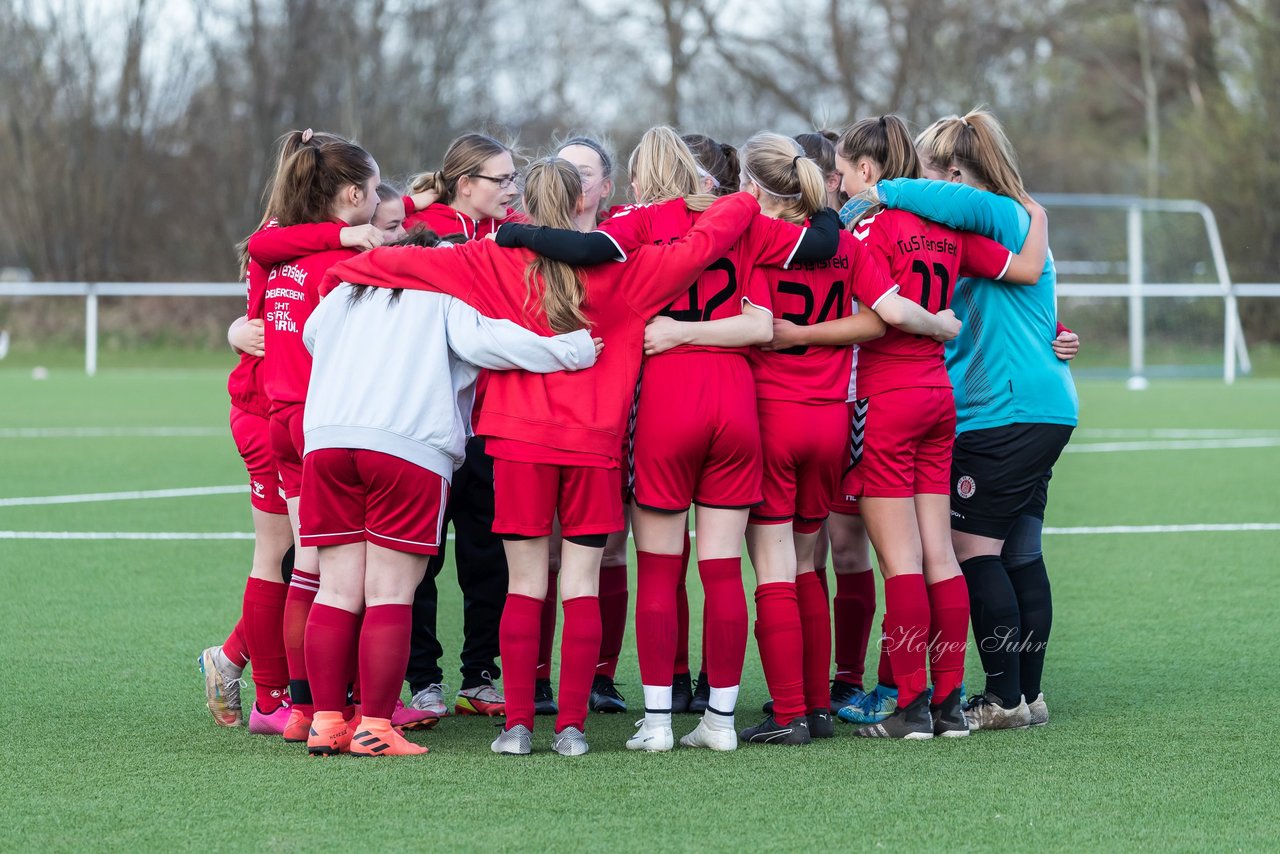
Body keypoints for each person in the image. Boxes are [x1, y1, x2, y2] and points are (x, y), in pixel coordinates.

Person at [320, 157, 762, 756]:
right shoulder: (626, 271)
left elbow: (375, 264)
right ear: (587, 201)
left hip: (517, 445)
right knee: (580, 584)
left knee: (526, 584)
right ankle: (573, 729)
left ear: (525, 204)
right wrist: (721, 199)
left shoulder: (488, 258)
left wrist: (335, 279)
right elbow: (713, 238)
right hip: (594, 449)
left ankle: (518, 727)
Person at [495, 127, 840, 751]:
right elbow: (808, 256)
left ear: (641, 177)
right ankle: (722, 722)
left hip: (664, 400)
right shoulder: (739, 219)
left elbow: (583, 250)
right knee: (722, 569)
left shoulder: (638, 222)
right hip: (735, 398)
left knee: (658, 568)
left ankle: (657, 722)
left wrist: (513, 231)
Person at [298, 228, 601, 757]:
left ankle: (326, 723)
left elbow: (310, 336)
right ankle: (374, 728)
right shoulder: (444, 290)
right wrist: (570, 350)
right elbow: (491, 343)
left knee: (337, 589)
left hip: (326, 442)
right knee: (391, 592)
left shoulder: (345, 291)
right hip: (407, 448)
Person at [815, 115, 1048, 739]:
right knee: (941, 554)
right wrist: (1039, 217)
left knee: (901, 563)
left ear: (868, 171)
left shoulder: (863, 227)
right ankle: (949, 704)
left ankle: (911, 705)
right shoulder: (945, 226)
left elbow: (876, 320)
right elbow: (1023, 269)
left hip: (887, 400)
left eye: (841, 173)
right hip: (940, 401)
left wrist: (791, 334)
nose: (837, 187)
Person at [873, 107, 1079, 730]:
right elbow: (1034, 309)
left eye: (937, 176)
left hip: (1003, 413)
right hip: (1043, 406)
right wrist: (1062, 333)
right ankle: (1028, 695)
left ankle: (1003, 697)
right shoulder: (1018, 221)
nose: (931, 189)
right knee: (1020, 552)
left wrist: (873, 188)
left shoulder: (995, 208)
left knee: (971, 551)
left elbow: (931, 199)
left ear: (958, 173)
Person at [245, 130, 382, 741]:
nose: (379, 207)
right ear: (351, 194)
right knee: (343, 572)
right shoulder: (342, 263)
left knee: (309, 567)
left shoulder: (281, 260)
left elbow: (261, 243)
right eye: (376, 193)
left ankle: (302, 707)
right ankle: (341, 706)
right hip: (324, 423)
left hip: (281, 418)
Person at [399, 133, 529, 723]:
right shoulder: (424, 229)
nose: (511, 189)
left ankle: (481, 676)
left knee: (489, 556)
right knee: (421, 559)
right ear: (465, 183)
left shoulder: (509, 230)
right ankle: (422, 679)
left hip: (489, 424)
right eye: (501, 179)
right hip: (429, 424)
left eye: (512, 179)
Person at [535, 135, 633, 716]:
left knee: (608, 552)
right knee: (542, 557)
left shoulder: (620, 246)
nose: (574, 181)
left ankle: (601, 676)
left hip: (604, 423)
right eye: (565, 170)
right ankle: (540, 679)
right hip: (538, 422)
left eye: (586, 171)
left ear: (605, 187)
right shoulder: (520, 247)